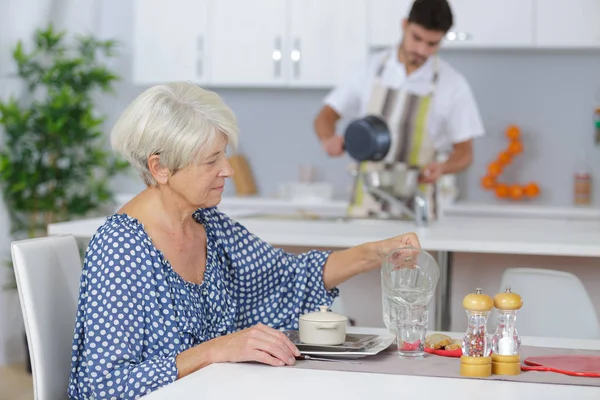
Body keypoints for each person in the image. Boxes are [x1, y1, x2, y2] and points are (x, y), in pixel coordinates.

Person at [67, 81, 421, 399]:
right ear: (159, 168)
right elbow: (102, 386)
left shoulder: (209, 225)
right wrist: (214, 350)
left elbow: (291, 277)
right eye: (210, 161)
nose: (228, 170)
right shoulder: (119, 248)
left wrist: (378, 253)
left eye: (223, 154)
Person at [314, 0, 484, 218]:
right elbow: (325, 116)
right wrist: (328, 138)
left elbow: (465, 153)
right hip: (365, 208)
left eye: (432, 44)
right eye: (417, 38)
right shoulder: (370, 68)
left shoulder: (453, 84)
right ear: (404, 25)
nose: (422, 50)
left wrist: (443, 167)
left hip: (418, 212)